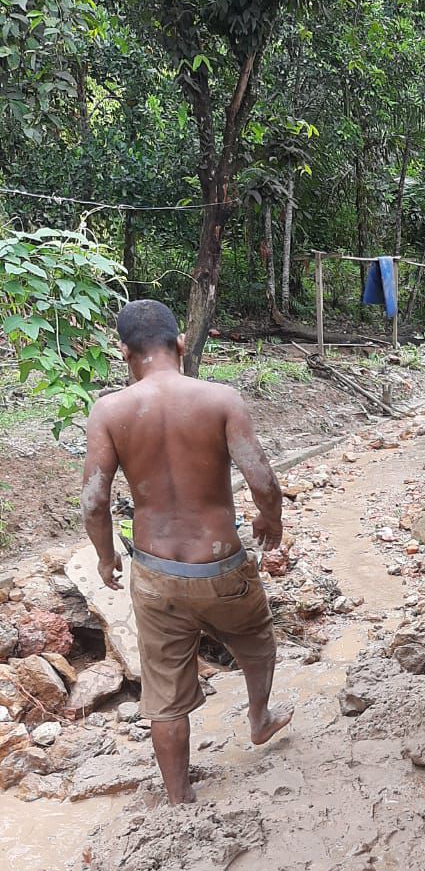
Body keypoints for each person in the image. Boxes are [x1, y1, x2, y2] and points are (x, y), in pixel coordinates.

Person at [81, 299, 293, 805]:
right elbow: (263, 479)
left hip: (156, 574)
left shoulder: (109, 411)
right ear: (180, 343)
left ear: (124, 352)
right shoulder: (220, 399)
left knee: (165, 693)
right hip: (222, 565)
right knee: (256, 640)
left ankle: (179, 797)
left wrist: (106, 556)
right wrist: (271, 521)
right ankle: (259, 718)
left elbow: (94, 501)